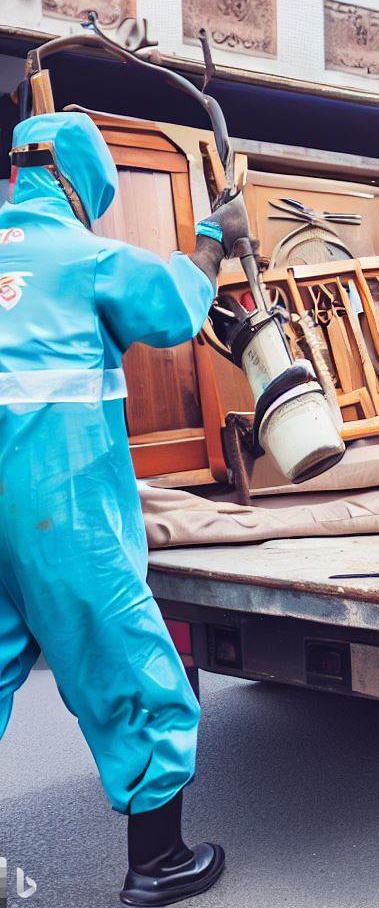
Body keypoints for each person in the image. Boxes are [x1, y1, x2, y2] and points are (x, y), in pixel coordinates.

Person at [0, 112, 249, 904]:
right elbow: (174, 311)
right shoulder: (87, 258)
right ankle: (159, 863)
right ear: (77, 181)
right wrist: (215, 232)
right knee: (136, 672)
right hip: (58, 511)